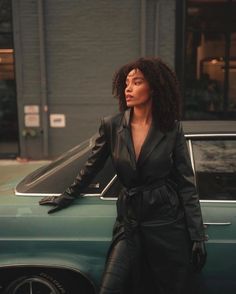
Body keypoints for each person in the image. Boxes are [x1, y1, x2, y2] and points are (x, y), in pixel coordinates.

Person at [39, 57, 207, 294]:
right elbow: (92, 166)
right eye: (126, 83)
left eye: (136, 82)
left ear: (154, 87)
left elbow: (186, 184)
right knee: (111, 288)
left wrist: (197, 234)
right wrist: (66, 195)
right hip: (130, 223)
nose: (128, 88)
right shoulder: (112, 125)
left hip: (167, 224)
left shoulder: (171, 128)